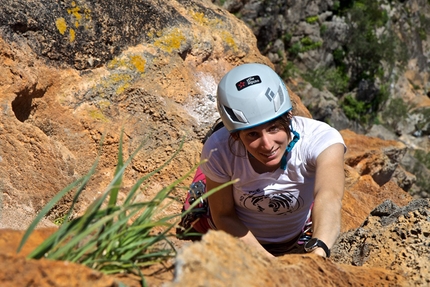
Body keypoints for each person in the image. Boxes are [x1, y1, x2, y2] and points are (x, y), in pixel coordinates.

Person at [178, 63, 346, 258]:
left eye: (274, 128)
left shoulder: (321, 139)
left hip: (295, 235)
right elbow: (223, 215)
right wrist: (269, 262)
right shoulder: (219, 149)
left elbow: (330, 195)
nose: (267, 144)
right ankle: (202, 187)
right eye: (252, 134)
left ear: (289, 117)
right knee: (197, 207)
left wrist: (318, 253)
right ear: (235, 136)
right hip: (234, 235)